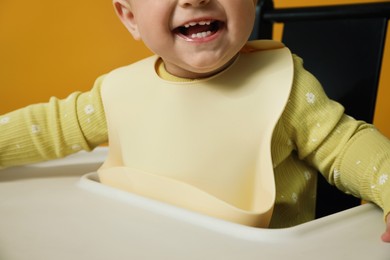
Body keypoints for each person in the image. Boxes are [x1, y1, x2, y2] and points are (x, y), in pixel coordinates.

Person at [0, 0, 389, 242]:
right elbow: (48, 127)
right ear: (130, 16)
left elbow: (347, 146)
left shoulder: (286, 88)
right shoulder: (117, 93)